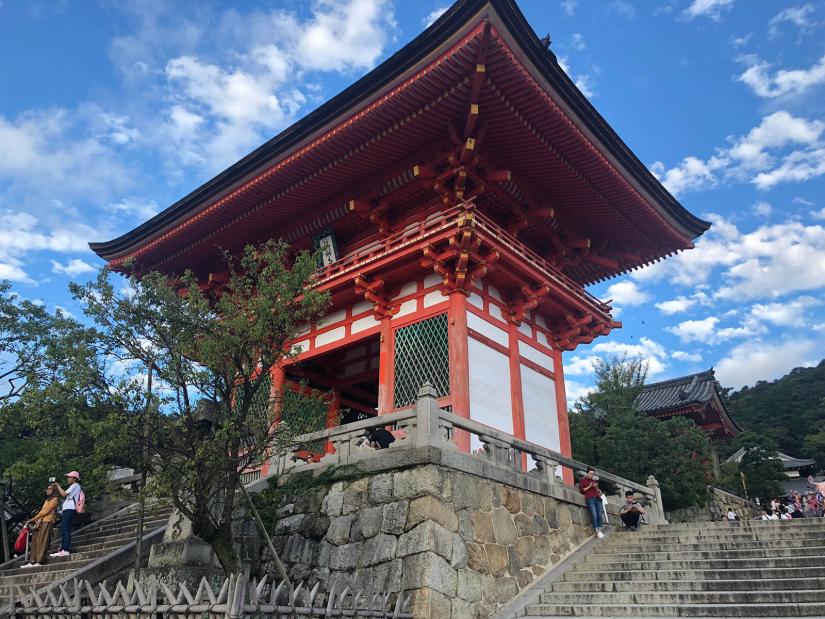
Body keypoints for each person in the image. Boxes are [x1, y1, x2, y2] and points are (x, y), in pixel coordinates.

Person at [22, 483, 60, 567]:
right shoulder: (47, 500)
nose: (47, 490)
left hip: (47, 521)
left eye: (50, 489)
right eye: (47, 489)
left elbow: (45, 512)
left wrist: (32, 519)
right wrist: (36, 519)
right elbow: (42, 512)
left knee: (43, 541)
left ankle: (39, 561)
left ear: (54, 490)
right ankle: (32, 561)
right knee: (35, 541)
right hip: (40, 522)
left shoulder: (55, 499)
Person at [51, 471, 82, 558]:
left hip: (70, 510)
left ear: (74, 478)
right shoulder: (73, 486)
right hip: (67, 510)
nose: (68, 479)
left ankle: (65, 550)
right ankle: (62, 549)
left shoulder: (75, 485)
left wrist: (58, 486)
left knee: (66, 529)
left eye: (69, 477)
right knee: (64, 529)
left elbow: (64, 494)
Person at [578, 468, 604, 539]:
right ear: (587, 473)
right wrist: (589, 486)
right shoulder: (583, 480)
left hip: (597, 498)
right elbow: (582, 490)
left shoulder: (594, 481)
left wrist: (597, 488)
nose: (591, 475)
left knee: (599, 515)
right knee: (594, 515)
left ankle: (600, 530)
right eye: (590, 474)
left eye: (592, 474)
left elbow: (598, 492)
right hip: (590, 498)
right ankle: (596, 531)